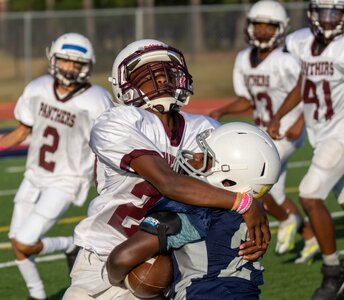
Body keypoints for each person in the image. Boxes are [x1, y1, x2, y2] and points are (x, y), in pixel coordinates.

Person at [63, 39, 271, 300]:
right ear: (124, 86)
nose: (161, 79)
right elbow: (168, 182)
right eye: (147, 75)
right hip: (105, 255)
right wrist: (245, 203)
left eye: (167, 72)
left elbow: (238, 180)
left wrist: (256, 203)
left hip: (171, 258)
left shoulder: (205, 129)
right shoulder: (116, 121)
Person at [106, 122, 281, 299]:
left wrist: (116, 280)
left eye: (207, 157)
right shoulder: (251, 214)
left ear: (227, 181)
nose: (196, 157)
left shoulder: (197, 212)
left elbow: (121, 258)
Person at [0, 33, 113, 300]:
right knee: (17, 243)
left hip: (67, 179)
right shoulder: (37, 88)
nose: (70, 68)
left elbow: (110, 143)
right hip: (34, 175)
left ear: (88, 65)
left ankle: (68, 244)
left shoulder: (97, 99)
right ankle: (37, 295)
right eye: (65, 61)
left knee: (24, 242)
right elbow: (21, 131)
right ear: (53, 59)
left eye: (77, 63)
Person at [209, 0, 319, 263]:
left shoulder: (286, 61)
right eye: (258, 25)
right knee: (275, 193)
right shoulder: (244, 59)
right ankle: (310, 237)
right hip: (262, 133)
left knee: (256, 185)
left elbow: (307, 91)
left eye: (269, 27)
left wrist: (298, 122)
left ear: (280, 30)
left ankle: (288, 220)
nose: (262, 31)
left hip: (285, 133)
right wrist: (222, 111)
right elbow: (247, 99)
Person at [267, 0, 344, 299]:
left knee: (310, 196)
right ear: (312, 14)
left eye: (334, 13)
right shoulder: (300, 42)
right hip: (320, 134)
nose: (328, 20)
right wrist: (278, 115)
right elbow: (304, 81)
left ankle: (332, 271)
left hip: (339, 134)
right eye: (323, 12)